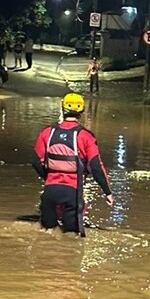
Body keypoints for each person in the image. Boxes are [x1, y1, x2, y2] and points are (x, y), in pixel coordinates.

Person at [32, 93, 115, 237]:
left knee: (45, 235)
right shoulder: (86, 136)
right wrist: (107, 192)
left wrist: (48, 178)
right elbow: (96, 167)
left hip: (50, 192)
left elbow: (35, 160)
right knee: (72, 239)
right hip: (72, 193)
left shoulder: (47, 133)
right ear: (82, 111)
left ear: (63, 108)